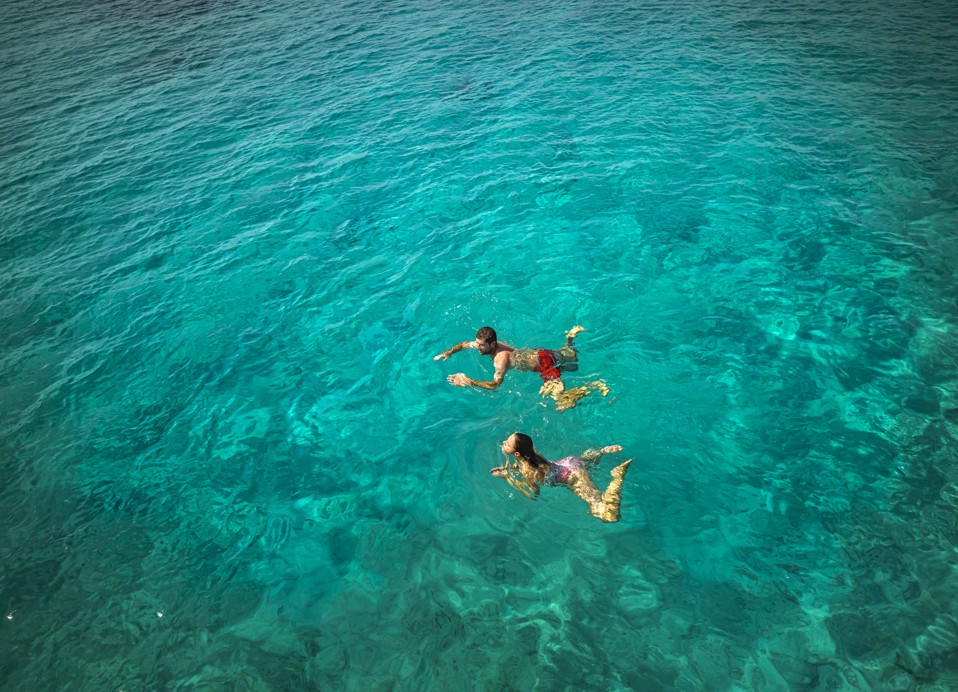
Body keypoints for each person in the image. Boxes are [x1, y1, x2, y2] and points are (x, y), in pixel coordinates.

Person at [433, 326, 608, 411]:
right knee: (572, 361)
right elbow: (464, 344)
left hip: (543, 366)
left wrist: (468, 381)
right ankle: (569, 338)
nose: (477, 348)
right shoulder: (489, 345)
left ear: (492, 343)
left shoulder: (500, 360)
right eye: (477, 344)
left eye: (480, 346)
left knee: (560, 404)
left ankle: (594, 386)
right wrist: (448, 352)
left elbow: (494, 385)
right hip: (539, 354)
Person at [490, 432, 632, 522]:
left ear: (516, 454)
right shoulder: (529, 454)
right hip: (569, 462)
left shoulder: (528, 471)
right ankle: (601, 452)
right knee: (586, 461)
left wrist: (507, 477)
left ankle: (617, 476)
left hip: (573, 476)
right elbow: (523, 464)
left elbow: (533, 494)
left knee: (607, 515)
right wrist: (510, 468)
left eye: (507, 443)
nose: (504, 443)